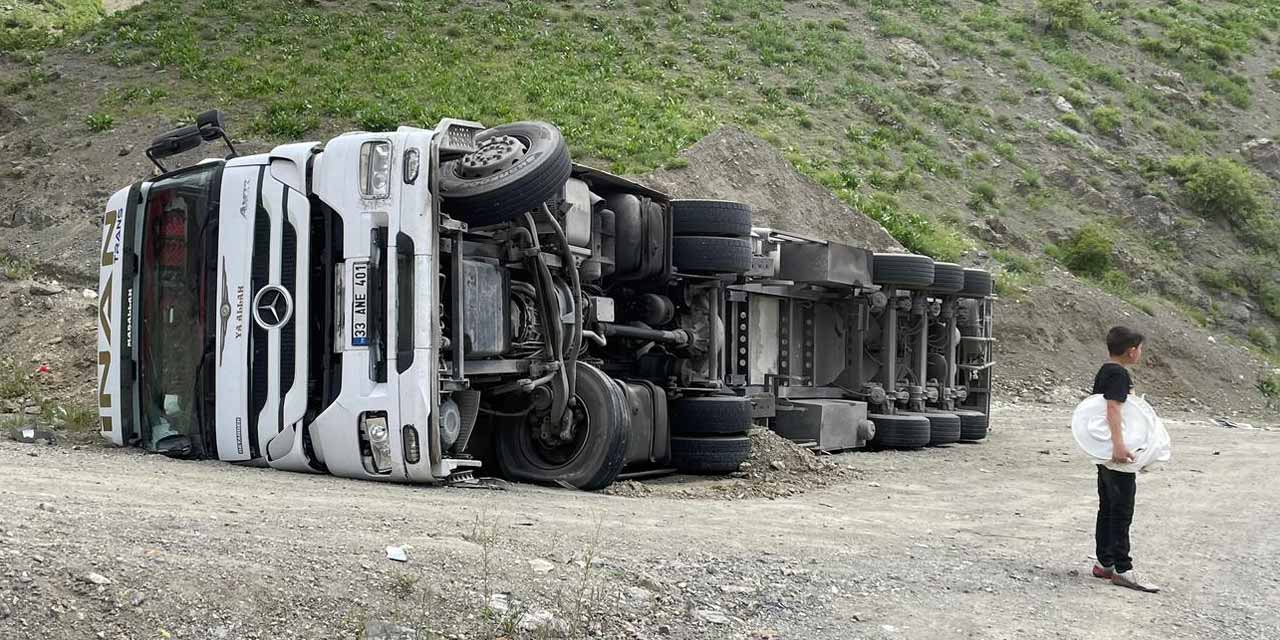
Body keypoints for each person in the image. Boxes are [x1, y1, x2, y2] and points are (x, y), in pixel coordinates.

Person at [1089, 326, 1160, 593]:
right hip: (1114, 451)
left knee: (1107, 507)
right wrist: (1120, 446)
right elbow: (1112, 408)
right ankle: (1123, 568)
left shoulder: (1105, 370)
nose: (1141, 353)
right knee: (1121, 511)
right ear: (1132, 350)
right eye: (1140, 348)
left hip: (1102, 449)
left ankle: (1104, 563)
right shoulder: (1119, 374)